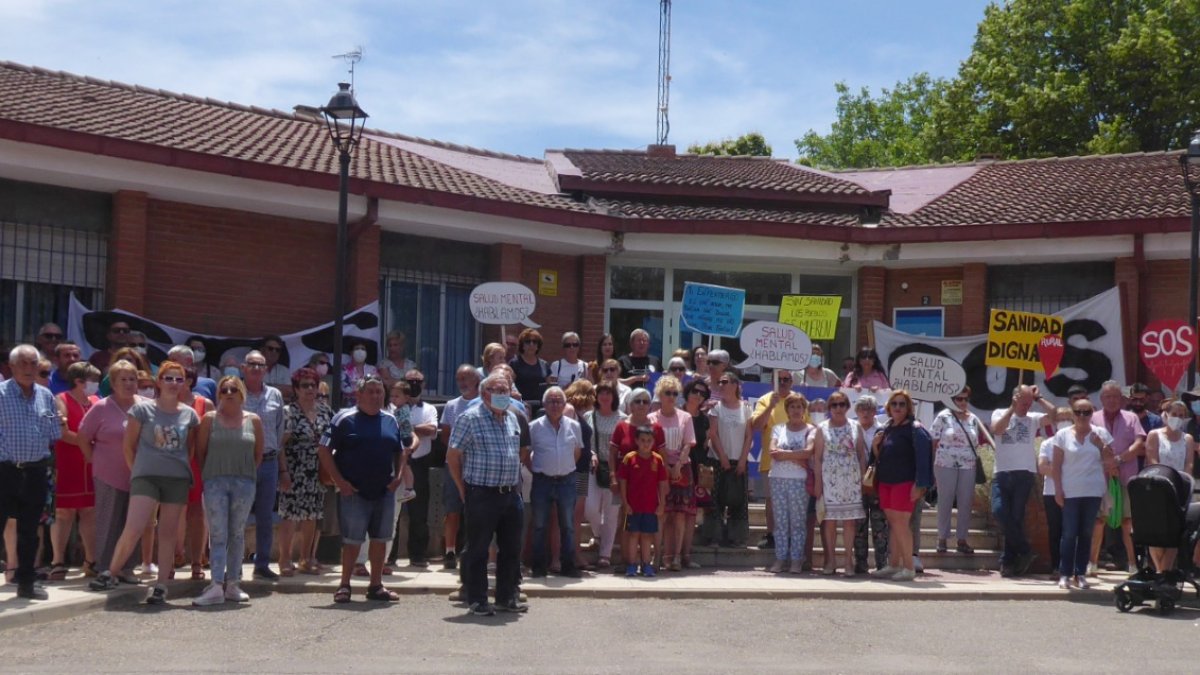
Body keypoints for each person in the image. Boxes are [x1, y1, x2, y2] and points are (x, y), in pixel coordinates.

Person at [88, 361, 200, 604]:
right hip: (146, 476)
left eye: (178, 379)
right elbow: (129, 446)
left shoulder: (189, 414)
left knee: (168, 533)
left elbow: (189, 449)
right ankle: (110, 572)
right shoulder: (142, 410)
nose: (173, 383)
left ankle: (161, 585)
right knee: (135, 526)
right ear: (159, 382)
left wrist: (175, 467)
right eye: (168, 378)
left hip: (176, 479)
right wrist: (137, 470)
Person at [447, 373, 529, 616]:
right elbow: (453, 457)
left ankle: (506, 596)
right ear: (484, 393)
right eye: (498, 390)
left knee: (512, 548)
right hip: (481, 493)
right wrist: (463, 490)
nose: (504, 395)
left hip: (510, 494)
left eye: (506, 390)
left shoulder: (512, 418)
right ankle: (477, 599)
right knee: (479, 549)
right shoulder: (469, 418)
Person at [318, 376, 403, 603]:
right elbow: (324, 450)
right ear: (359, 395)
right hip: (353, 491)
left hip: (384, 490)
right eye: (371, 392)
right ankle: (344, 585)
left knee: (380, 539)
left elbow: (400, 450)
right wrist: (339, 481)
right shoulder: (343, 418)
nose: (376, 396)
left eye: (379, 392)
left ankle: (376, 586)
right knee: (352, 541)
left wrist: (399, 476)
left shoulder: (390, 419)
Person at [192, 376, 263, 606]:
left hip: (244, 482)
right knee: (218, 533)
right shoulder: (209, 420)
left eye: (234, 389)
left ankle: (233, 583)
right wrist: (210, 476)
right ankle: (215, 585)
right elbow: (200, 452)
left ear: (242, 393)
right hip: (215, 482)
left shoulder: (254, 420)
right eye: (224, 389)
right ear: (219, 394)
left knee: (237, 533)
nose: (229, 392)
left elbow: (258, 454)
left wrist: (245, 473)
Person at [0, 344, 63, 600]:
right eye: (23, 363)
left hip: (35, 471)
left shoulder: (46, 396)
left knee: (29, 532)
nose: (28, 369)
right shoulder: (1, 394)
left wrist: (57, 423)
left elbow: (53, 434)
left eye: (33, 364)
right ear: (11, 367)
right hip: (4, 470)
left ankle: (26, 583)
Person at [77, 359, 142, 587]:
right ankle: (106, 569)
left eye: (132, 379)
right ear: (113, 383)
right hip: (108, 475)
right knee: (109, 522)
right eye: (123, 379)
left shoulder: (145, 406)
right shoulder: (101, 407)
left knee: (133, 524)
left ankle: (127, 568)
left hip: (139, 476)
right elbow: (83, 437)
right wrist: (92, 459)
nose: (128, 383)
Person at [1052, 398, 1118, 589]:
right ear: (1073, 413)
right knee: (1069, 533)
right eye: (1078, 412)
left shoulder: (1101, 434)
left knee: (1086, 533)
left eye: (1086, 412)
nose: (1082, 416)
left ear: (1092, 413)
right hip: (1070, 490)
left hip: (1093, 491)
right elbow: (1056, 466)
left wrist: (1100, 446)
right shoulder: (1062, 435)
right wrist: (1058, 490)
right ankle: (1064, 573)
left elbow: (1111, 462)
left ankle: (1080, 573)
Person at [990, 384, 1055, 577]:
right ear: (1015, 398)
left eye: (1029, 403)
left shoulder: (1033, 418)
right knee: (1000, 511)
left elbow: (1056, 415)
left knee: (1016, 518)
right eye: (1023, 402)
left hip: (1024, 473)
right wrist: (1012, 408)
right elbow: (997, 429)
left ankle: (1008, 561)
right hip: (1002, 472)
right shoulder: (1000, 412)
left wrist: (1039, 398)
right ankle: (1025, 550)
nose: (1026, 406)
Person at [871, 390, 933, 581]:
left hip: (905, 483)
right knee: (894, 524)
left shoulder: (915, 428)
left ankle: (908, 567)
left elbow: (924, 458)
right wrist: (875, 446)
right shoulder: (887, 427)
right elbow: (878, 457)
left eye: (902, 404)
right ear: (888, 407)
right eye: (894, 404)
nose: (898, 407)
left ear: (908, 408)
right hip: (886, 481)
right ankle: (894, 564)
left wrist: (920, 484)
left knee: (901, 524)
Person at [277, 367, 333, 576]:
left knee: (312, 515)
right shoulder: (288, 412)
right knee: (290, 516)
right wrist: (283, 472)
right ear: (296, 389)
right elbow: (280, 445)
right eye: (304, 385)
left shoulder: (325, 411)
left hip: (317, 470)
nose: (310, 389)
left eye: (313, 385)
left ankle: (306, 558)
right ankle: (284, 559)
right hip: (293, 469)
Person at [48, 361, 101, 580]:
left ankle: (91, 560)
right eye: (93, 381)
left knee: (89, 511)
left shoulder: (97, 401)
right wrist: (86, 443)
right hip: (69, 462)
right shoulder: (61, 399)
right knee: (64, 513)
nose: (96, 385)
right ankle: (58, 561)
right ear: (79, 381)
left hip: (93, 463)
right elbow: (62, 432)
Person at [526, 386, 583, 578]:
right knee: (540, 525)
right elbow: (526, 454)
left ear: (565, 404)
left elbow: (577, 452)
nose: (555, 405)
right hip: (542, 480)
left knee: (567, 526)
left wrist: (564, 467)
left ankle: (568, 565)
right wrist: (536, 468)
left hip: (567, 480)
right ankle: (539, 567)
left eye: (559, 401)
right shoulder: (534, 427)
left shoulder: (574, 426)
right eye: (551, 401)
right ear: (544, 404)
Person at [1089, 380, 1145, 575]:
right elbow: (1088, 443)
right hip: (1099, 478)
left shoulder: (1131, 418)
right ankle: (1092, 563)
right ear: (1101, 398)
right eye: (1108, 396)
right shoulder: (1092, 418)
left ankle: (1132, 564)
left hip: (1126, 477)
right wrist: (1107, 463)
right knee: (1099, 522)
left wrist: (1118, 460)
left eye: (1115, 396)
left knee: (1128, 521)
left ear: (1121, 399)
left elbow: (1139, 444)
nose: (1112, 400)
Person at [241, 349, 286, 581]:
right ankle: (233, 565)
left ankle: (262, 564)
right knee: (237, 514)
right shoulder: (234, 392)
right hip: (241, 462)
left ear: (266, 369)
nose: (257, 368)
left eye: (261, 365)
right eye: (252, 364)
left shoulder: (275, 395)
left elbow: (280, 430)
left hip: (268, 463)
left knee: (265, 517)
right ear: (243, 368)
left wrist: (281, 467)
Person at [930, 385, 989, 556]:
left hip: (968, 464)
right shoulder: (943, 416)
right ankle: (942, 537)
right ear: (952, 400)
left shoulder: (973, 418)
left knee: (965, 503)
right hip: (945, 463)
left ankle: (962, 539)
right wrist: (931, 465)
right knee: (945, 501)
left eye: (965, 399)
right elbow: (933, 441)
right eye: (959, 399)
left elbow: (978, 441)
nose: (962, 402)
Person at [813, 390, 867, 576]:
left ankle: (848, 562)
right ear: (829, 408)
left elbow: (861, 455)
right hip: (830, 481)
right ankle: (830, 561)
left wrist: (862, 479)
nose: (838, 408)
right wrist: (818, 483)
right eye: (834, 405)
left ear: (847, 406)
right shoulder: (822, 428)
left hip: (851, 481)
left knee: (850, 522)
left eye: (842, 404)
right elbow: (817, 458)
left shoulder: (855, 426)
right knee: (829, 522)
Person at [609, 388, 665, 565]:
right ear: (630, 404)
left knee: (651, 524)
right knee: (625, 523)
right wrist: (613, 477)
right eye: (637, 401)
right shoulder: (621, 426)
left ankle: (652, 561)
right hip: (626, 482)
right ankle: (627, 561)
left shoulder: (656, 427)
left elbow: (662, 457)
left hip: (650, 484)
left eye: (645, 401)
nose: (641, 405)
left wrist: (664, 486)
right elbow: (612, 454)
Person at [649, 374, 696, 571]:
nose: (671, 396)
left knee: (679, 515)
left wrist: (677, 466)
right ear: (660, 394)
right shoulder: (652, 419)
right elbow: (649, 446)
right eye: (667, 393)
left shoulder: (685, 417)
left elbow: (688, 443)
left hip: (682, 469)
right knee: (660, 514)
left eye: (675, 393)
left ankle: (676, 557)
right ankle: (657, 556)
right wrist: (666, 468)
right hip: (658, 469)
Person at [1144, 400, 1196, 572]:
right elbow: (1152, 460)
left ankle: (1164, 574)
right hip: (1158, 488)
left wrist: (1182, 483)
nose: (1178, 418)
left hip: (1178, 490)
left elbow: (1188, 464)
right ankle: (1162, 572)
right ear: (1166, 415)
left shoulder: (1187, 439)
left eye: (1181, 415)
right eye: (1174, 414)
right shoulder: (1154, 434)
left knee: (1174, 533)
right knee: (1156, 534)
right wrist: (1164, 481)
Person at [438, 365, 481, 571]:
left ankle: (472, 551)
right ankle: (449, 551)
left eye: (467, 378)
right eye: (459, 379)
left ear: (476, 379)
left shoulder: (483, 404)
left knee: (476, 510)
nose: (463, 383)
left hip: (477, 465)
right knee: (452, 509)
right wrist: (457, 454)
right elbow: (445, 434)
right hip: (454, 465)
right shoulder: (451, 405)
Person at [767, 393, 814, 573]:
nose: (796, 410)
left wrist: (785, 455)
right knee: (780, 522)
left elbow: (808, 452)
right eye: (792, 407)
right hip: (778, 478)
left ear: (804, 410)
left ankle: (796, 560)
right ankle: (780, 558)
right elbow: (773, 450)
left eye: (799, 407)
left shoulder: (810, 430)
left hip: (799, 481)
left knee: (797, 522)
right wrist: (796, 456)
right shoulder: (778, 429)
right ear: (787, 410)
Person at [752, 369, 797, 550]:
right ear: (773, 381)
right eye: (780, 379)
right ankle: (771, 535)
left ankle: (792, 537)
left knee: (792, 501)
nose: (783, 382)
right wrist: (771, 406)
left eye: (787, 379)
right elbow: (756, 426)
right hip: (770, 460)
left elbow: (810, 426)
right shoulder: (765, 399)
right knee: (771, 500)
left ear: (792, 382)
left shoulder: (799, 400)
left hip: (796, 461)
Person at [584, 382, 627, 569]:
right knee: (590, 507)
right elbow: (584, 442)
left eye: (608, 393)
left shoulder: (623, 418)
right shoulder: (588, 416)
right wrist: (591, 454)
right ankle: (598, 534)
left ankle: (605, 554)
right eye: (601, 392)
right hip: (593, 468)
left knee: (612, 512)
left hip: (615, 470)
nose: (605, 396)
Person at [708, 372, 752, 547]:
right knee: (715, 499)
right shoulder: (716, 407)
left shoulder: (746, 408)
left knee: (739, 500)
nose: (721, 385)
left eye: (725, 382)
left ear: (735, 385)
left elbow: (749, 436)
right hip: (718, 460)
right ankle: (714, 536)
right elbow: (713, 434)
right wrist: (722, 457)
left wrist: (742, 460)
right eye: (719, 382)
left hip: (739, 459)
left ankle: (737, 537)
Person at [618, 426, 669, 577]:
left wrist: (662, 504)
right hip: (633, 506)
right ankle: (632, 564)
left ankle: (646, 564)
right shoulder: (629, 458)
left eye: (649, 440)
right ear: (636, 441)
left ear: (653, 442)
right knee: (633, 534)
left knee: (647, 536)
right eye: (643, 440)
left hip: (650, 506)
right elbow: (623, 481)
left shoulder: (658, 459)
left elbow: (662, 483)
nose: (646, 444)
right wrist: (625, 503)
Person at [403, 368, 438, 567]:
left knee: (419, 512)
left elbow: (432, 430)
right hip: (399, 462)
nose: (414, 384)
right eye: (410, 381)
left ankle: (417, 554)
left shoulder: (429, 409)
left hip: (420, 464)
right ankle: (389, 556)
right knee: (397, 511)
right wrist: (418, 428)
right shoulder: (395, 406)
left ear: (423, 384)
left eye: (418, 381)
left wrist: (407, 428)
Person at [852, 395, 888, 574]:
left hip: (876, 483)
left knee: (879, 524)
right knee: (859, 525)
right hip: (855, 482)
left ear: (875, 411)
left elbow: (888, 458)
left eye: (869, 409)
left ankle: (882, 563)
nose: (865, 412)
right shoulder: (850, 428)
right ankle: (861, 563)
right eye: (862, 409)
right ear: (856, 411)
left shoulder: (882, 430)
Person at [1038, 407, 1074, 573]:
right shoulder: (1047, 443)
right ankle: (1056, 566)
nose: (1064, 422)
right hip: (1051, 493)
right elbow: (1042, 468)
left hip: (1074, 492)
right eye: (1060, 419)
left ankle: (1072, 566)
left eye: (1068, 418)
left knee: (1072, 530)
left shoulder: (1078, 443)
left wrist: (1056, 469)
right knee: (1055, 530)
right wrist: (1064, 471)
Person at [680, 378, 711, 565]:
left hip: (696, 469)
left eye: (702, 393)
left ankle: (686, 555)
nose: (698, 395)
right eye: (695, 391)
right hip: (677, 467)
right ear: (687, 392)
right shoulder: (677, 413)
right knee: (673, 514)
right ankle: (668, 553)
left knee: (691, 514)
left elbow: (706, 444)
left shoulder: (704, 419)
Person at [509, 328, 550, 408]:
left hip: (541, 407)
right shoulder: (514, 363)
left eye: (535, 342)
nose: (531, 344)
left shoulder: (544, 364)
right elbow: (509, 385)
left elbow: (549, 387)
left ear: (538, 346)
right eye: (528, 342)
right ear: (522, 345)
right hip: (521, 405)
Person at [340, 338, 378, 407]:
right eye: (357, 348)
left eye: (363, 349)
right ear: (351, 353)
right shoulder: (344, 370)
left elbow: (376, 387)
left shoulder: (373, 369)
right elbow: (346, 389)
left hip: (369, 407)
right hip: (350, 408)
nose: (360, 351)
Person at [257, 335, 293, 399]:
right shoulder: (253, 367)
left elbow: (289, 391)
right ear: (262, 350)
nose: (274, 352)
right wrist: (279, 387)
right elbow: (251, 388)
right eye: (270, 349)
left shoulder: (284, 370)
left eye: (277, 350)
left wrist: (263, 386)